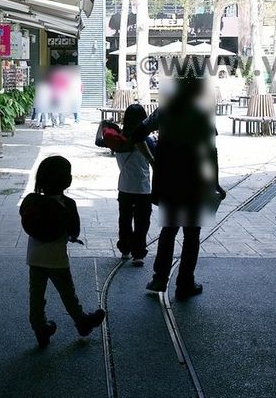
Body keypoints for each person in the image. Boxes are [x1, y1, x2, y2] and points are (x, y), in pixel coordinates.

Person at [130, 74, 220, 301]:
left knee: (169, 229)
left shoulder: (164, 112)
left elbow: (137, 134)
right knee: (192, 233)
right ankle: (184, 283)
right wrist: (215, 182)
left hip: (168, 179)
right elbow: (210, 152)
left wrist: (151, 160)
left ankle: (160, 277)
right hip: (193, 180)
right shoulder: (201, 114)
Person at [20, 156, 106, 348]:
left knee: (36, 296)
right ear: (66, 180)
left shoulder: (32, 201)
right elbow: (74, 231)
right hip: (57, 259)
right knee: (68, 294)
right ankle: (82, 322)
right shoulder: (68, 204)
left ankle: (40, 328)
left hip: (34, 257)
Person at [114, 104, 154, 266]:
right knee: (142, 222)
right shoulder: (147, 141)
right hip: (142, 187)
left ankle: (125, 249)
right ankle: (138, 253)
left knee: (124, 219)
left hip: (124, 186)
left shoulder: (118, 140)